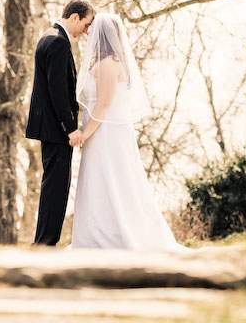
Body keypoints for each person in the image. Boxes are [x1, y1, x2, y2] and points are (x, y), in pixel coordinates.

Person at [71, 13, 186, 251]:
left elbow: (104, 103)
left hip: (106, 132)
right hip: (103, 130)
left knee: (113, 180)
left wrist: (85, 133)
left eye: (93, 28)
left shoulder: (108, 63)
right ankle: (94, 234)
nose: (88, 31)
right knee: (100, 181)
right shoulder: (104, 61)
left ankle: (113, 236)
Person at [26, 0, 94, 245]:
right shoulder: (57, 43)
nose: (86, 31)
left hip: (50, 128)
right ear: (74, 17)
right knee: (56, 188)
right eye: (86, 24)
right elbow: (57, 90)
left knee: (52, 186)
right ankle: (45, 244)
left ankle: (43, 242)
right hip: (56, 129)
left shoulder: (49, 36)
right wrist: (70, 129)